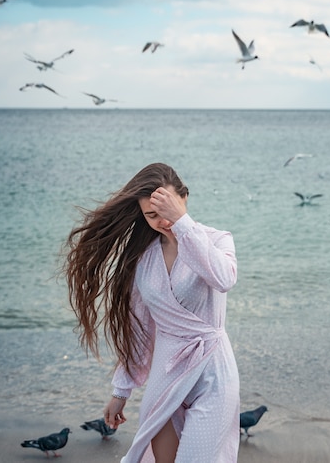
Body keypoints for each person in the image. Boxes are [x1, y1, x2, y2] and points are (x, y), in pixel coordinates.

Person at [64, 163, 240, 462]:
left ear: (184, 198)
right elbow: (140, 331)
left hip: (212, 371)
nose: (163, 221)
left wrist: (182, 223)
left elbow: (224, 279)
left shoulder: (216, 240)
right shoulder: (143, 260)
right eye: (152, 215)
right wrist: (120, 393)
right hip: (166, 375)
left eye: (167, 209)